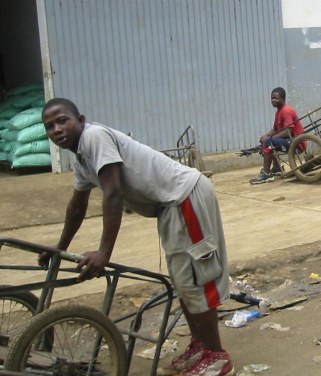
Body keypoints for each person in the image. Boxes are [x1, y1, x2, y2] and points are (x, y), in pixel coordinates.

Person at [39, 98, 235, 376]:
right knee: (182, 280)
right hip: (169, 207)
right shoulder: (81, 159)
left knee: (196, 278)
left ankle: (217, 357)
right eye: (50, 126)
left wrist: (104, 252)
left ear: (80, 120)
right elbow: (77, 207)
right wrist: (58, 248)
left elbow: (113, 193)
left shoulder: (94, 137)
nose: (57, 129)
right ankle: (200, 346)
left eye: (62, 120)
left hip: (185, 195)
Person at [250, 87, 305, 185]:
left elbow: (289, 130)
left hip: (296, 143)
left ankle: (266, 174)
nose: (273, 100)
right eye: (272, 98)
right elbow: (275, 129)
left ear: (283, 98)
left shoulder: (286, 111)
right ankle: (277, 168)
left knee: (268, 142)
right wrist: (265, 135)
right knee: (267, 140)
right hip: (289, 141)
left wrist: (269, 139)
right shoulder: (279, 111)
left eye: (276, 98)